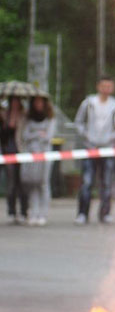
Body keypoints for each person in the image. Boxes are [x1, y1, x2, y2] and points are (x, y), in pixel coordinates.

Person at [74, 75, 115, 224]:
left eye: (109, 86)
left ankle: (105, 213)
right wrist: (86, 136)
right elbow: (79, 122)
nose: (106, 89)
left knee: (107, 182)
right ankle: (82, 213)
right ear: (98, 87)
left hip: (107, 149)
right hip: (90, 148)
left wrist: (111, 138)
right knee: (87, 182)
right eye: (103, 86)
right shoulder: (89, 103)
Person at [21, 95, 56, 226]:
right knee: (33, 184)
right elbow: (25, 135)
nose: (38, 104)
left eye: (40, 102)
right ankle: (33, 212)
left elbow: (48, 137)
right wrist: (38, 134)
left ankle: (43, 214)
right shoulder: (28, 118)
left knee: (43, 183)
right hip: (32, 154)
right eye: (36, 102)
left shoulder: (50, 118)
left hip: (45, 154)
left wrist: (34, 135)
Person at [1, 96, 29, 224]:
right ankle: (11, 211)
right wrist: (7, 123)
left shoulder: (24, 115)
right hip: (8, 152)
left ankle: (24, 211)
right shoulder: (3, 115)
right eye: (13, 101)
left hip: (21, 151)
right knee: (11, 183)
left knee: (22, 182)